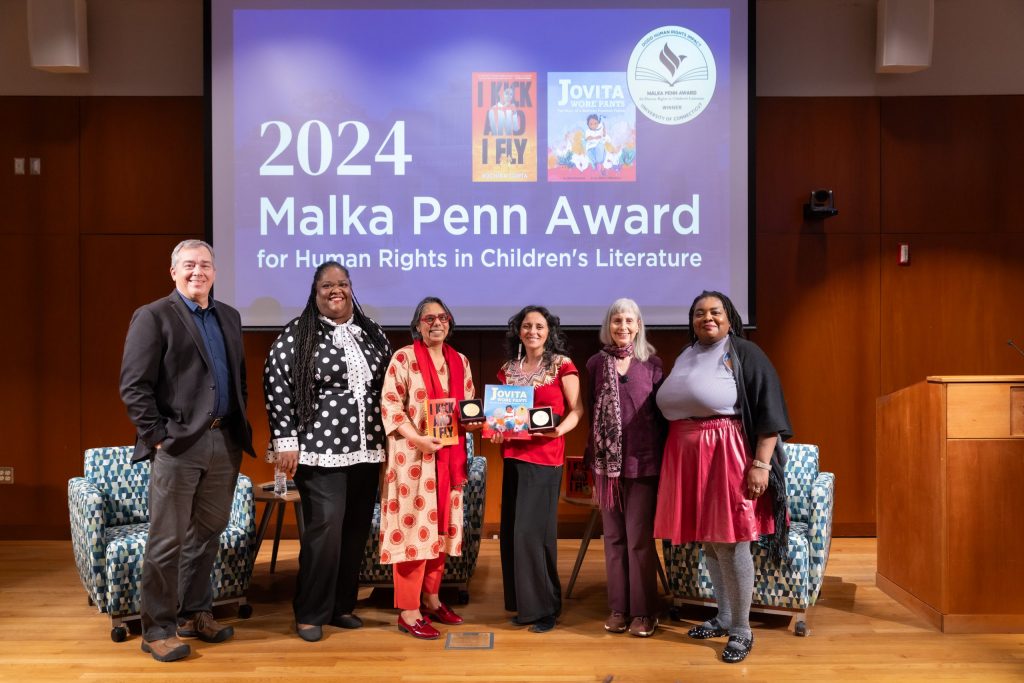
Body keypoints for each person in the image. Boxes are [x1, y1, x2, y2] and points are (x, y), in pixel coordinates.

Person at [119, 239, 255, 662]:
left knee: (207, 535)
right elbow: (134, 386)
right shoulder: (154, 315)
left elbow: (238, 379)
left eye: (206, 265)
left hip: (224, 441)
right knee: (167, 540)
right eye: (190, 265)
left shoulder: (228, 316)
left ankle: (194, 613)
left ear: (215, 272)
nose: (199, 271)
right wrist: (159, 436)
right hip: (179, 445)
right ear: (174, 271)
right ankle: (156, 628)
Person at [654, 291, 791, 664]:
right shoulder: (687, 353)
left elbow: (769, 412)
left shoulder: (745, 353)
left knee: (732, 543)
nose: (707, 318)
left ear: (730, 318)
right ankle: (726, 615)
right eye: (699, 313)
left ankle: (742, 631)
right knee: (711, 543)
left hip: (726, 453)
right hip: (687, 456)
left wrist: (760, 464)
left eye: (715, 312)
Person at [263, 261, 391, 642]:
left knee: (354, 531)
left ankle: (340, 607)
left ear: (351, 288)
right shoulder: (297, 335)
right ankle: (310, 612)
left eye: (343, 284)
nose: (336, 291)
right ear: (315, 291)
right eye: (327, 286)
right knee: (325, 530)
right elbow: (276, 385)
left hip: (367, 449)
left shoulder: (372, 333)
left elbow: (389, 384)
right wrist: (286, 441)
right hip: (321, 452)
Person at [379, 297, 480, 639]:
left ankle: (432, 600)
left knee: (441, 532)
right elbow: (391, 408)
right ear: (418, 325)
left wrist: (480, 422)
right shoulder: (403, 358)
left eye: (442, 317)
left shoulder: (460, 361)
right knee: (413, 533)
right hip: (414, 462)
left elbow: (466, 408)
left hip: (448, 460)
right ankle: (408, 612)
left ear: (450, 322)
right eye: (428, 318)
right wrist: (418, 439)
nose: (436, 323)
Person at [492, 305, 584, 633]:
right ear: (519, 331)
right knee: (513, 534)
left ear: (549, 332)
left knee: (533, 534)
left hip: (545, 458)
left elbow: (577, 410)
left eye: (539, 326)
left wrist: (560, 431)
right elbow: (502, 416)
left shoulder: (562, 365)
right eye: (527, 325)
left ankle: (546, 608)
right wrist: (496, 429)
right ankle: (523, 603)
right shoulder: (509, 369)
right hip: (514, 456)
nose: (533, 331)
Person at [584, 298, 665, 638]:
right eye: (616, 320)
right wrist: (592, 468)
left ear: (638, 324)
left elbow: (662, 420)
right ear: (609, 324)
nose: (622, 326)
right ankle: (619, 608)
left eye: (628, 320)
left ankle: (644, 613)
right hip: (606, 469)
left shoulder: (653, 365)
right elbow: (591, 418)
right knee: (614, 539)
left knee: (638, 541)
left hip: (643, 465)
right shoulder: (594, 365)